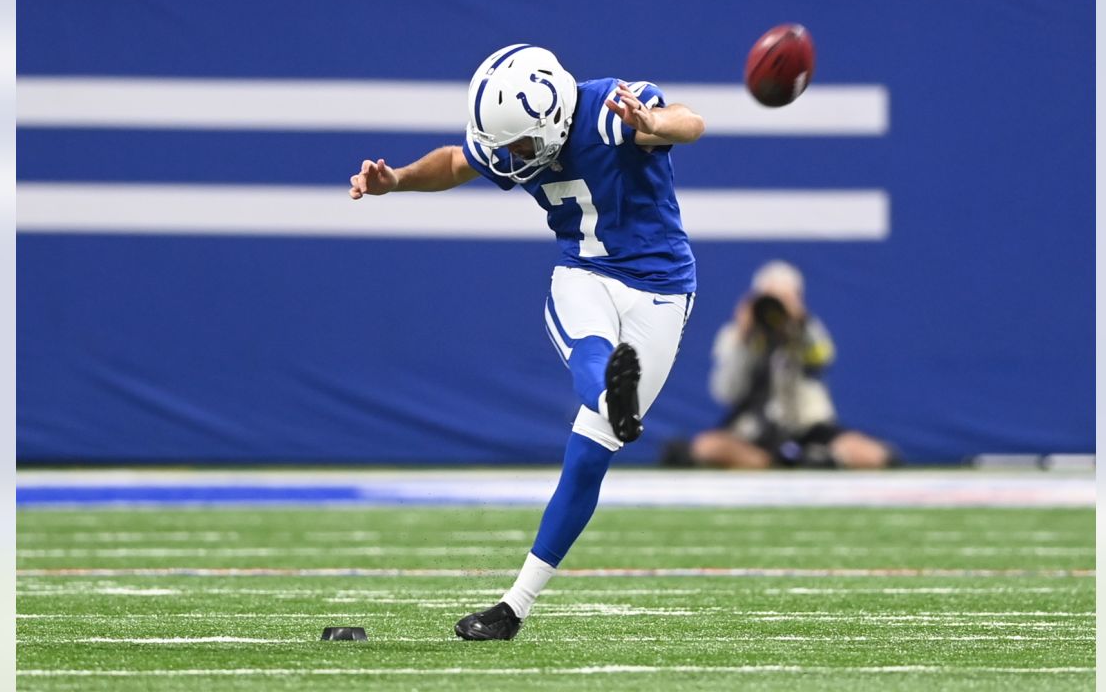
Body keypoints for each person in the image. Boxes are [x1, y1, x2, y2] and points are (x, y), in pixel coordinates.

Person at [348, 44, 704, 640]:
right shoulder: (526, 131)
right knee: (592, 356)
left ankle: (515, 604)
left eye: (519, 146)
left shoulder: (603, 111)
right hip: (586, 272)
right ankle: (610, 397)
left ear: (556, 118)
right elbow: (460, 162)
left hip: (663, 290)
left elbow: (691, 122)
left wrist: (651, 124)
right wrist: (401, 180)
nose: (510, 159)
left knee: (592, 455)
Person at [661, 260, 897, 470]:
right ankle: (778, 461)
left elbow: (823, 359)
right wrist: (743, 339)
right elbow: (726, 392)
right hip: (754, 429)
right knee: (707, 446)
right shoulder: (736, 336)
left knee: (873, 454)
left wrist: (800, 322)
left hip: (807, 425)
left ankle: (818, 457)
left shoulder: (807, 330)